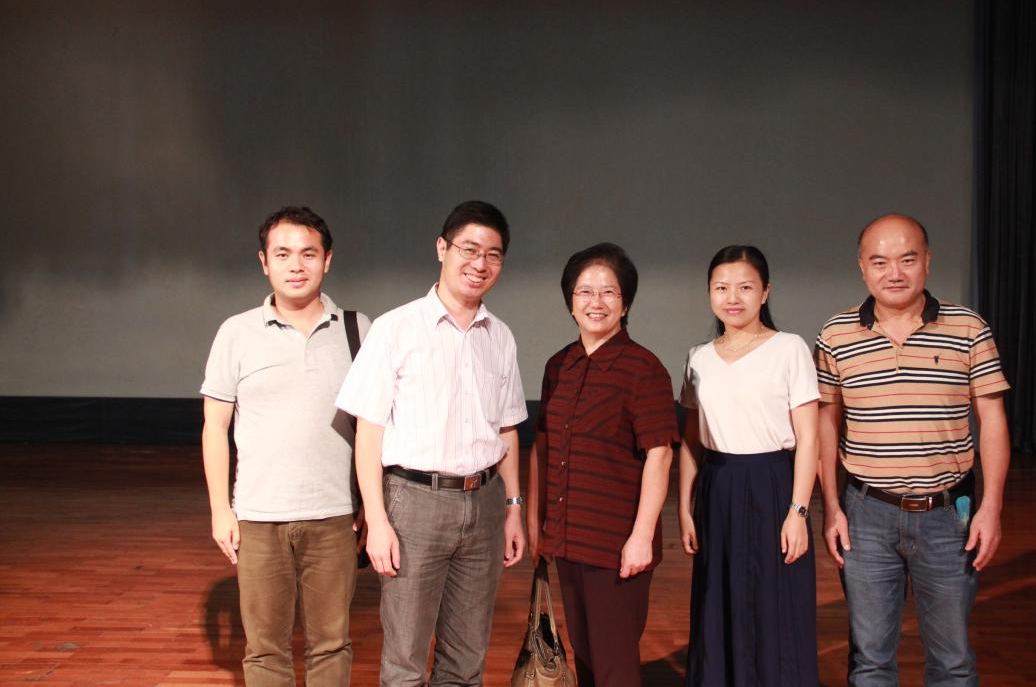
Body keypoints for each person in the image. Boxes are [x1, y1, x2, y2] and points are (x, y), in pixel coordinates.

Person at [335, 201, 527, 686]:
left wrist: (513, 508)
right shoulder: (395, 328)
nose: (480, 263)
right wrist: (377, 520)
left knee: (466, 661)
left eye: (493, 255)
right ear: (442, 248)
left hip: (484, 503)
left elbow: (507, 429)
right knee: (405, 661)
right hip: (414, 503)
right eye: (469, 249)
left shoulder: (500, 336)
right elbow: (369, 432)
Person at [815, 214, 1011, 685]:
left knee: (953, 661)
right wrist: (831, 509)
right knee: (871, 661)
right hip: (866, 514)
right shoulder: (836, 335)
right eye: (879, 261)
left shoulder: (968, 327)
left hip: (949, 513)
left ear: (927, 261)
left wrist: (992, 508)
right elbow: (825, 424)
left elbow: (993, 421)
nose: (894, 273)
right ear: (862, 267)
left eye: (907, 259)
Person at [200, 205, 370, 685]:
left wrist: (371, 505)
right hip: (258, 518)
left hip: (335, 517)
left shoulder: (358, 330)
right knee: (265, 650)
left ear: (327, 259)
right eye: (283, 254)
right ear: (264, 262)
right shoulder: (236, 332)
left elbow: (374, 428)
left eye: (308, 254)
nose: (296, 265)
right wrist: (220, 510)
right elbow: (215, 426)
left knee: (331, 645)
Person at [526, 242, 678, 687]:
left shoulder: (643, 368)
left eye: (609, 292)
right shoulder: (560, 365)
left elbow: (660, 454)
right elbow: (543, 446)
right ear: (571, 302)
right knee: (586, 657)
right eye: (585, 292)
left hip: (616, 547)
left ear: (625, 303)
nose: (596, 302)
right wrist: (537, 523)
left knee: (615, 666)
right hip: (567, 540)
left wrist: (641, 538)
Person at [678, 245, 819, 686]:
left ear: (765, 292)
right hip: (717, 486)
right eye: (721, 288)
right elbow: (691, 442)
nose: (732, 297)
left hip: (772, 484)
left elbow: (810, 438)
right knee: (718, 599)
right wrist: (684, 508)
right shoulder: (698, 356)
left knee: (777, 602)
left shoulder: (789, 348)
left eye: (744, 287)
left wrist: (798, 511)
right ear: (709, 293)